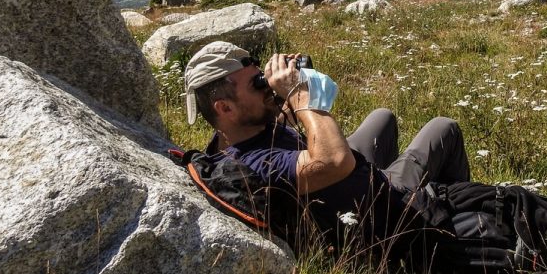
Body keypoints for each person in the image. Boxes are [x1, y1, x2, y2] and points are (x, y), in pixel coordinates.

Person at [183, 40, 472, 256]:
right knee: (443, 128)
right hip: (361, 203)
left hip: (347, 179)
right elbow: (335, 160)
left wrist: (292, 85)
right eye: (257, 85)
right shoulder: (256, 165)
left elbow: (287, 122)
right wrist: (300, 95)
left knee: (381, 118)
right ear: (225, 107)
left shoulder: (233, 134)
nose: (266, 86)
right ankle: (447, 221)